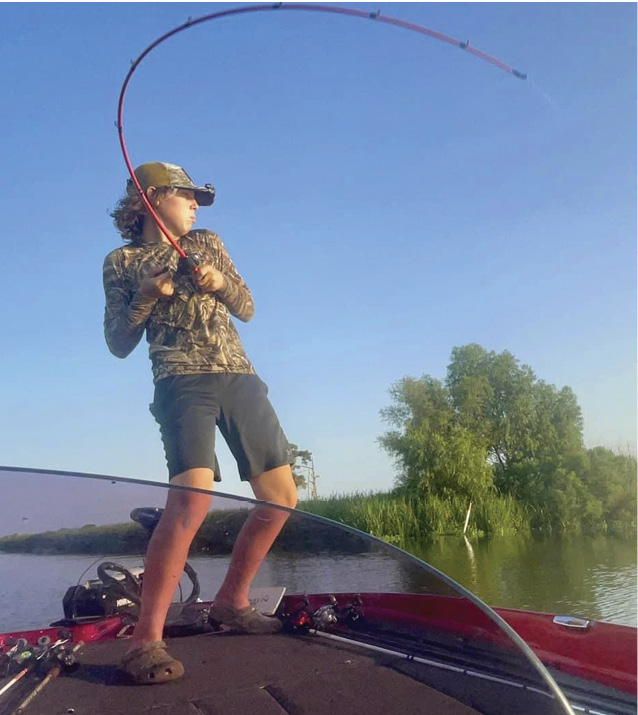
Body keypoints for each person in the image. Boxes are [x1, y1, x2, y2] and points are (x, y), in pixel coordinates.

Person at [103, 162, 298, 684]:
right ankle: (145, 641)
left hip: (239, 376)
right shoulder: (121, 262)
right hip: (181, 381)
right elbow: (118, 342)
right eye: (186, 195)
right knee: (191, 501)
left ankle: (231, 602)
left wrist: (220, 283)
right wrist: (146, 296)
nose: (195, 204)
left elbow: (247, 307)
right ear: (151, 198)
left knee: (281, 497)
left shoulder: (208, 242)